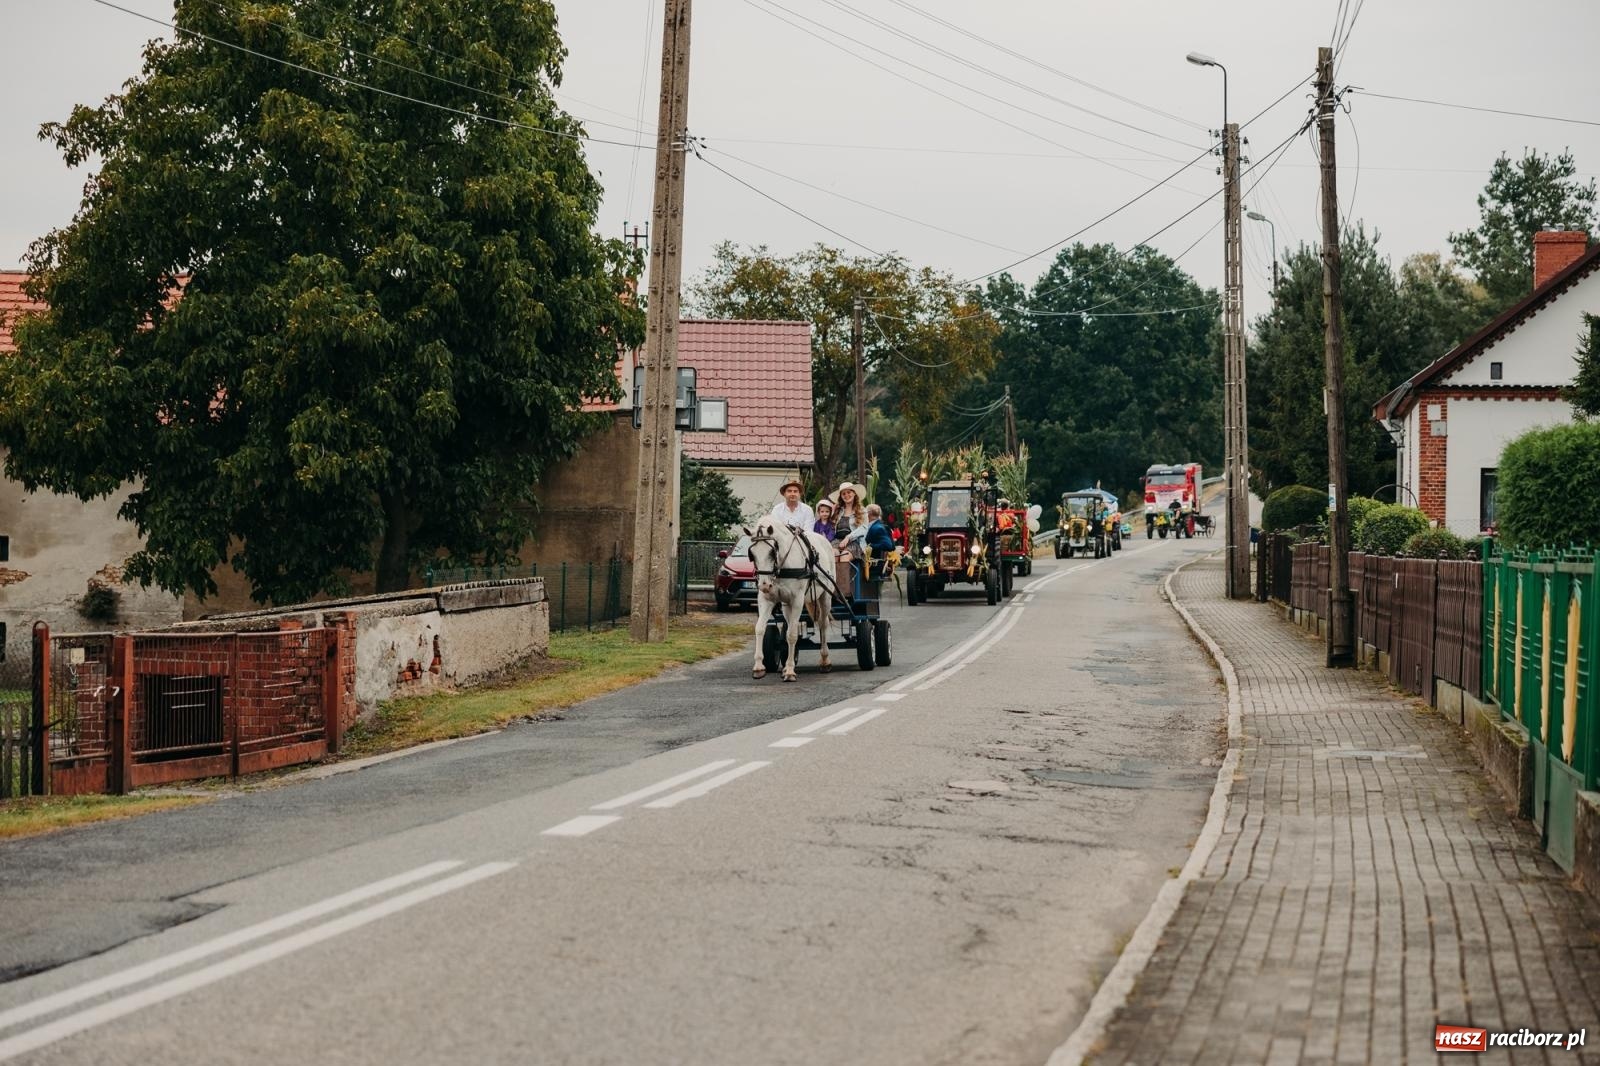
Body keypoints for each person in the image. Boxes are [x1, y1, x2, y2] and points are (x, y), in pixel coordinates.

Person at [831, 482, 867, 547]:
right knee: (833, 554)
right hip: (837, 542)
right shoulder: (838, 510)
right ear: (841, 497)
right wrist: (832, 512)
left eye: (849, 492)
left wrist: (848, 537)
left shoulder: (862, 510)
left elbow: (864, 528)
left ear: (854, 493)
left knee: (845, 556)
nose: (846, 495)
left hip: (854, 542)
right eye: (843, 494)